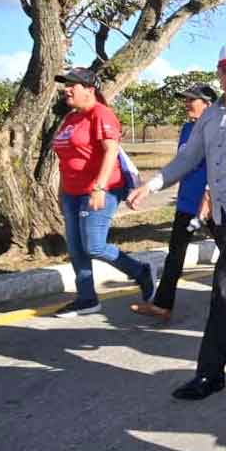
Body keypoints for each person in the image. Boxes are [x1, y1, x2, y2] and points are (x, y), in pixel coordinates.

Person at [129, 42, 226, 400]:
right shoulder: (209, 116)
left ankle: (210, 374)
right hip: (220, 216)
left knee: (223, 288)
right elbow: (188, 158)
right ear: (219, 74)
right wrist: (153, 185)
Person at [52, 67, 155, 317]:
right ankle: (86, 298)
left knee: (94, 246)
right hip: (71, 193)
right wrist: (60, 191)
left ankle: (140, 271)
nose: (67, 89)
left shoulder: (102, 114)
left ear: (89, 89)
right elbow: (65, 159)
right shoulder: (70, 118)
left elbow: (111, 152)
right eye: (66, 84)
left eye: (72, 85)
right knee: (76, 249)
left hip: (101, 190)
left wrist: (98, 187)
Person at [130, 83, 216, 322]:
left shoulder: (216, 129)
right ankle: (162, 305)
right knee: (175, 255)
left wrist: (207, 199)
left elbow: (220, 167)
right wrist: (150, 188)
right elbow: (181, 164)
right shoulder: (188, 128)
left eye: (192, 100)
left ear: (208, 104)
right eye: (186, 99)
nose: (187, 104)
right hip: (187, 205)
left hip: (211, 205)